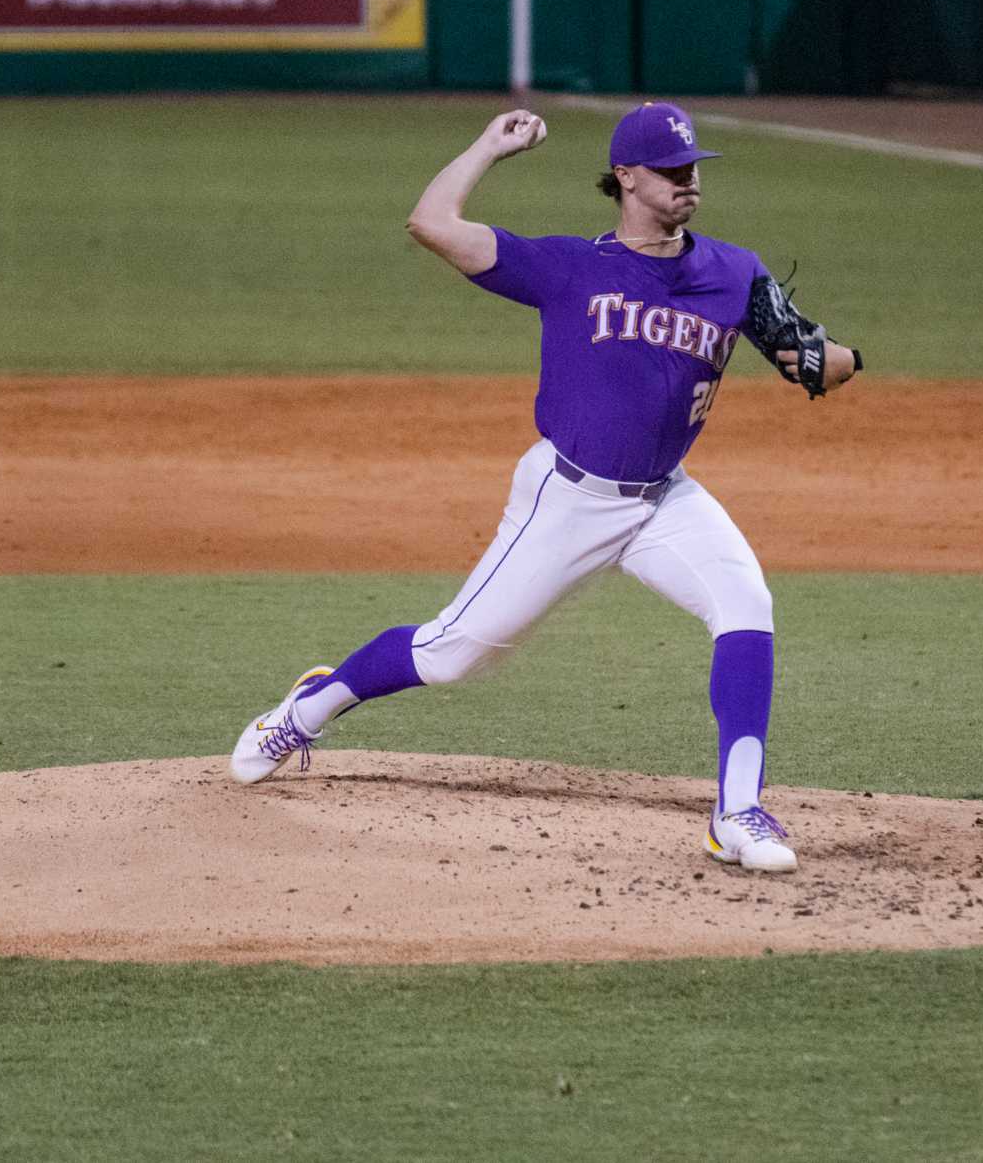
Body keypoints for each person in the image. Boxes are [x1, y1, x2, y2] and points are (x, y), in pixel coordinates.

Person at [228, 104, 862, 874]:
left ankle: (736, 811)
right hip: (566, 499)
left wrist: (833, 357)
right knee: (451, 654)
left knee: (746, 604)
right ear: (626, 177)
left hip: (665, 499)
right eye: (670, 170)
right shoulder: (569, 266)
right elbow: (430, 222)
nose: (688, 180)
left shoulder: (734, 273)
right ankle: (306, 709)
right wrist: (488, 148)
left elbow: (812, 354)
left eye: (694, 168)